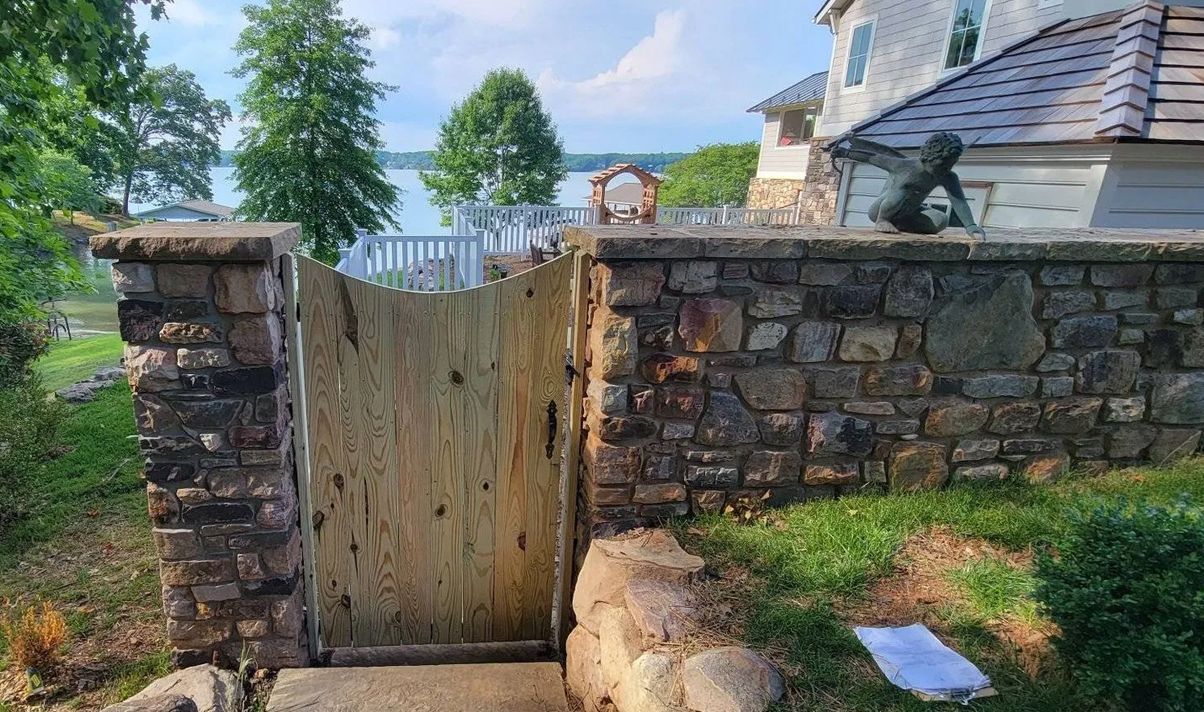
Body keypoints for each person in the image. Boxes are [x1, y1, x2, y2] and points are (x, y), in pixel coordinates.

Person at [829, 131, 986, 239]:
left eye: (950, 165)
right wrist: (845, 153)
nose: (946, 169)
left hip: (911, 212)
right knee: (904, 188)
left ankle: (899, 225)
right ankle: (883, 221)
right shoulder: (904, 166)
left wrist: (971, 226)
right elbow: (873, 157)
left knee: (941, 220)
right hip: (881, 209)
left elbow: (959, 201)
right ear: (931, 156)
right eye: (943, 164)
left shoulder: (947, 177)